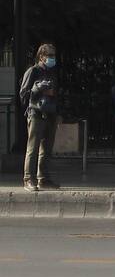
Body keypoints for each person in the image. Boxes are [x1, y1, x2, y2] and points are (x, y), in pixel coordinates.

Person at [19, 43, 61, 192]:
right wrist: (37, 90)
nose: (52, 58)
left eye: (53, 55)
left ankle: (43, 179)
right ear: (41, 56)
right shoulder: (33, 71)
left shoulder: (52, 72)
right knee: (33, 148)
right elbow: (23, 95)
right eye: (49, 55)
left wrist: (58, 113)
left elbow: (56, 94)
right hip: (36, 113)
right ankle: (28, 179)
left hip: (50, 113)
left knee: (46, 149)